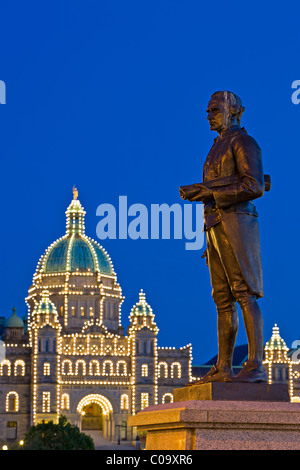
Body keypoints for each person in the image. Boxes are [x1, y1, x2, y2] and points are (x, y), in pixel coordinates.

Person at [188, 91, 268, 383]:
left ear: (233, 111)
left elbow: (255, 185)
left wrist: (209, 192)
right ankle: (223, 366)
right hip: (214, 227)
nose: (209, 116)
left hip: (237, 225)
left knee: (244, 291)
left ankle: (255, 364)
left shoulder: (243, 142)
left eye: (214, 110)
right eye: (208, 111)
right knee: (222, 298)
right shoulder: (216, 147)